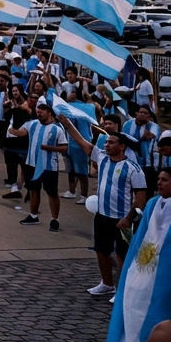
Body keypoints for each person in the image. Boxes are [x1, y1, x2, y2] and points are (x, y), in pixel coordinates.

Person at [106, 162, 171, 342]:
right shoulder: (152, 203)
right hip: (144, 268)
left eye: (165, 180)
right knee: (134, 311)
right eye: (158, 179)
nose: (159, 182)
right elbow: (142, 236)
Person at [61, 119, 145, 296]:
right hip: (101, 215)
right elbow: (81, 141)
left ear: (122, 146)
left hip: (121, 219)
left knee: (122, 255)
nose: (106, 145)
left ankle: (122, 290)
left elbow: (140, 198)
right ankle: (107, 284)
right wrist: (67, 124)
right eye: (106, 142)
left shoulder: (133, 169)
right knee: (101, 250)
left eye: (111, 142)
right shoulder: (101, 158)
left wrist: (128, 219)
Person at [12, 103, 68, 232]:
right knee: (33, 190)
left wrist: (49, 148)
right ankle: (33, 215)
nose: (39, 113)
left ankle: (55, 219)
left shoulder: (57, 129)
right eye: (38, 111)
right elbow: (21, 132)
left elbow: (64, 147)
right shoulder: (32, 124)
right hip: (32, 163)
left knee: (52, 192)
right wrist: (13, 130)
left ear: (49, 112)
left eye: (42, 111)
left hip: (49, 166)